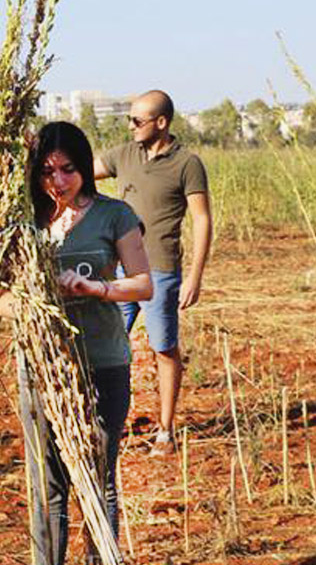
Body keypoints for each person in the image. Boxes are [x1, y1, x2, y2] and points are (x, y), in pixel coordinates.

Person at [18, 121, 153, 565]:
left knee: (98, 479)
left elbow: (143, 285)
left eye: (68, 170)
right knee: (48, 485)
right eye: (47, 171)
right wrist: (28, 301)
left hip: (101, 362)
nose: (57, 181)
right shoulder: (25, 221)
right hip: (41, 366)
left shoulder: (114, 214)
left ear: (86, 168)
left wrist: (96, 288)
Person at [94, 90, 213, 455]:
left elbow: (202, 219)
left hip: (161, 272)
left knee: (163, 347)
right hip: (120, 272)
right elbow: (83, 172)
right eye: (129, 119)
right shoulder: (124, 155)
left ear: (161, 123)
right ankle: (101, 422)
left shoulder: (187, 164)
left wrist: (194, 276)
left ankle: (165, 430)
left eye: (137, 121)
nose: (130, 126)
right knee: (104, 346)